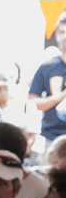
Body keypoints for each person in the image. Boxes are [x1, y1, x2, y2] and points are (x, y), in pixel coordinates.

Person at [30, 14, 66, 148]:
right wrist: (59, 97)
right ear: (56, 36)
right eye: (62, 32)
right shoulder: (47, 67)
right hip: (52, 139)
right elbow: (33, 102)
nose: (65, 36)